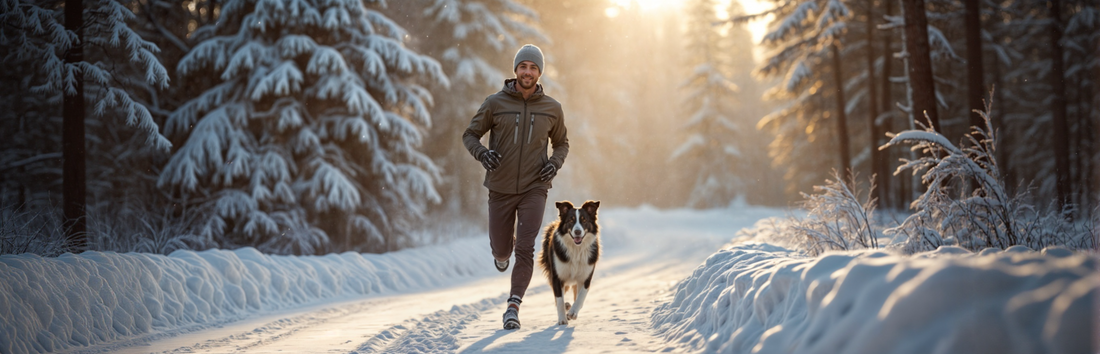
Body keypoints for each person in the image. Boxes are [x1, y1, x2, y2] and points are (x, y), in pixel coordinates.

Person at [462, 44, 569, 330]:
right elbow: (470, 135)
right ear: (516, 70)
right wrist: (483, 154)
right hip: (500, 186)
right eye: (524, 66)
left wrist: (554, 164)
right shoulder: (495, 103)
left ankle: (513, 306)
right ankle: (501, 255)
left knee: (525, 246)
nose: (528, 72)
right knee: (502, 248)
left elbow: (562, 144)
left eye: (534, 67)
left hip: (536, 186)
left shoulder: (552, 108)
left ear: (539, 72)